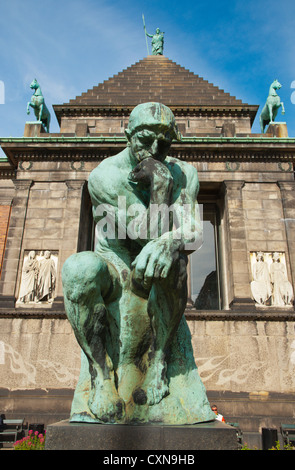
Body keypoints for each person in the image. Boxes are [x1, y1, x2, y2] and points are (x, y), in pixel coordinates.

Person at [62, 102, 214, 425]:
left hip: (153, 281)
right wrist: (160, 187)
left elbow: (195, 232)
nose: (155, 150)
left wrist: (169, 242)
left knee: (175, 261)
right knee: (77, 270)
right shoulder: (103, 177)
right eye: (146, 140)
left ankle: (158, 363)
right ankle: (101, 375)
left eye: (165, 143)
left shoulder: (185, 174)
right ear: (128, 134)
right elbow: (144, 234)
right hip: (115, 275)